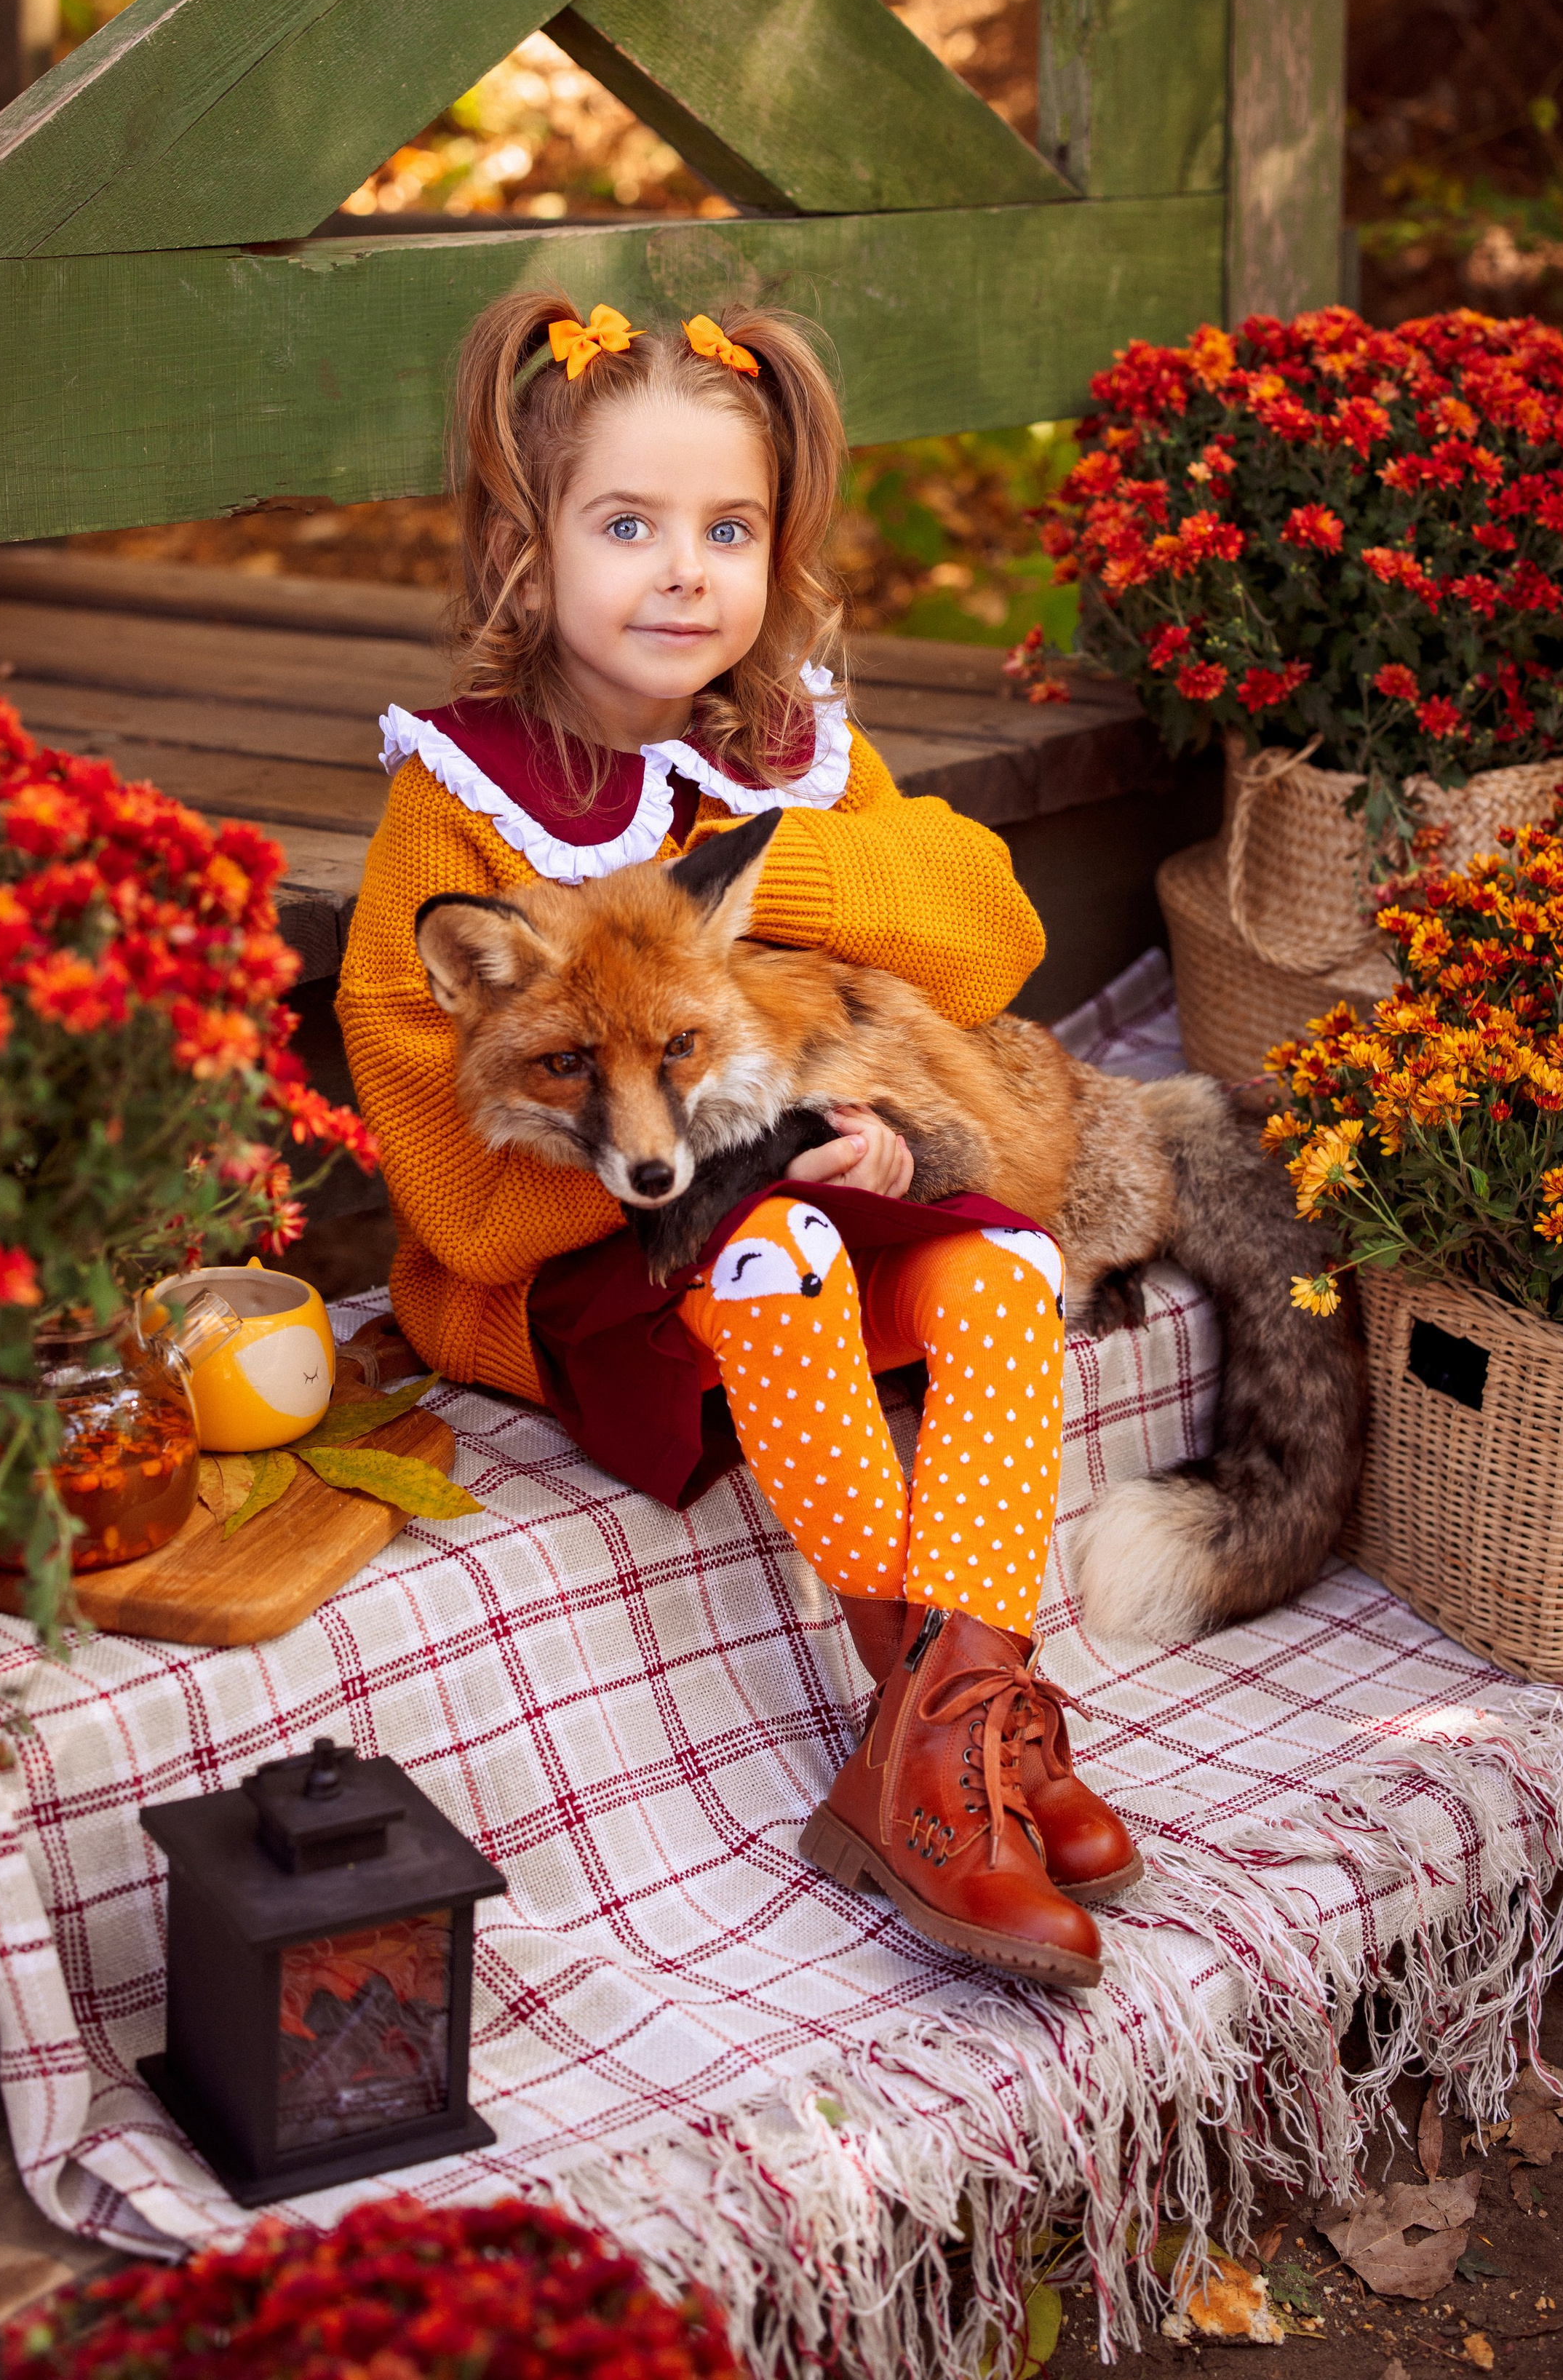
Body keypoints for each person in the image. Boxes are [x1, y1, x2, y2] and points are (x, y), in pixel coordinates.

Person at [336, 291, 1138, 1991]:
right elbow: (469, 1204)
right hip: (593, 1267)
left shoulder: (784, 748)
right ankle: (957, 1747)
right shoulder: (456, 804)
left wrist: (771, 874)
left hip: (804, 1193)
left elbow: (991, 937)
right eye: (625, 524)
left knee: (1000, 1266)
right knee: (767, 1256)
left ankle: (944, 1737)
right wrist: (746, 1147)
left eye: (730, 527)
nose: (683, 570)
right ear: (523, 550)